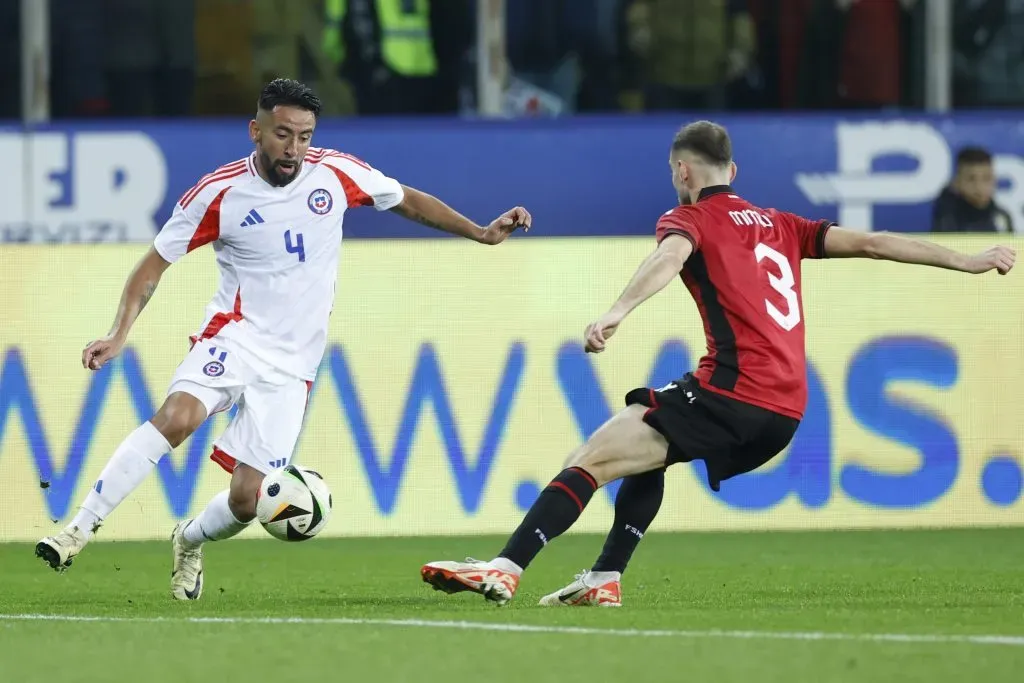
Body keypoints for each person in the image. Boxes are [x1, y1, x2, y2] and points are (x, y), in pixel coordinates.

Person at [420, 120, 1016, 607]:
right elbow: (877, 242)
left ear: (682, 171)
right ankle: (604, 577)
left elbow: (671, 259)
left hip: (734, 392)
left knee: (591, 459)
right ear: (733, 172)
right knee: (648, 428)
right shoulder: (786, 225)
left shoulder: (689, 219)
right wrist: (969, 260)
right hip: (785, 411)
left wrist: (617, 311)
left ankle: (505, 567)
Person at [36, 78, 532, 601]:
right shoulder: (220, 192)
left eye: (304, 136)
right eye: (282, 134)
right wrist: (119, 333)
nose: (294, 148)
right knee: (178, 416)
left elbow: (406, 200)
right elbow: (154, 264)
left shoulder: (336, 175)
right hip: (236, 338)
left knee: (249, 501)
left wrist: (479, 232)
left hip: (294, 366)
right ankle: (79, 528)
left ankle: (188, 539)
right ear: (256, 131)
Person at [932, 147, 1014, 233]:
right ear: (957, 182)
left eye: (987, 178)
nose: (979, 186)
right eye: (971, 179)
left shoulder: (1001, 218)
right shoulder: (947, 216)